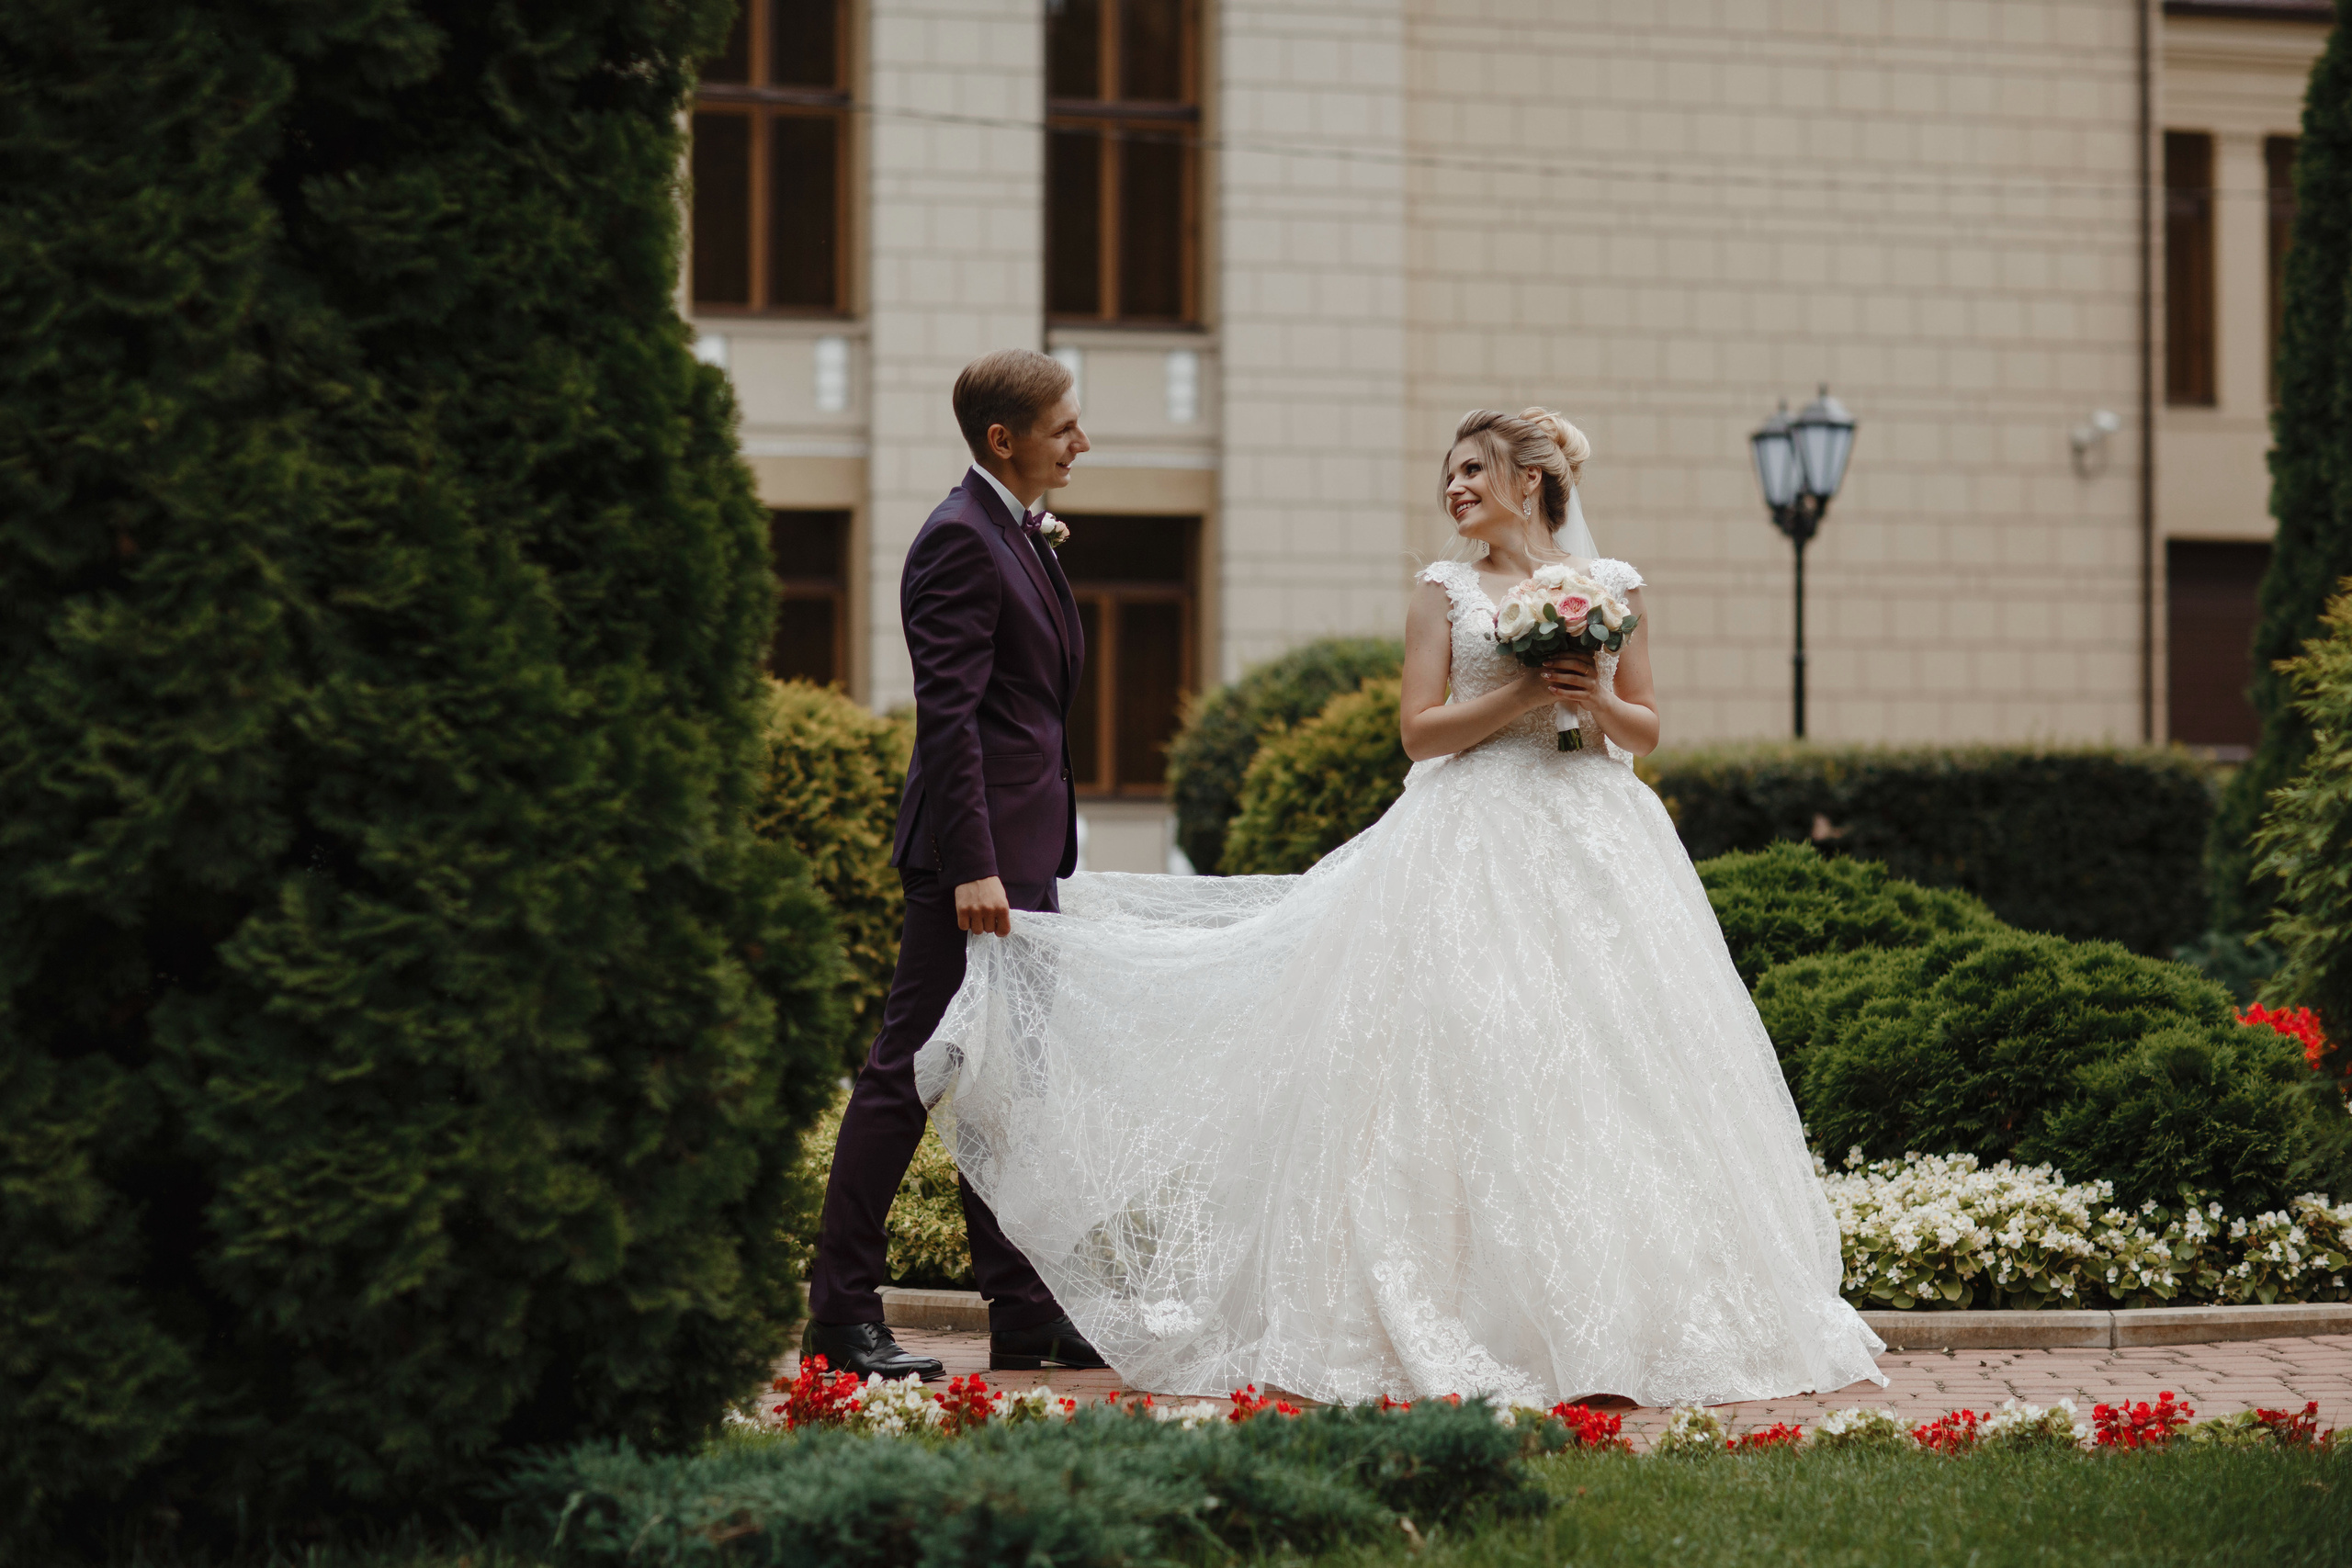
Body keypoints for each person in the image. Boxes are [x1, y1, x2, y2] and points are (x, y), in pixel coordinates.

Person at [911, 407, 1887, 1406]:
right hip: (1466, 841)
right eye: (1450, 472)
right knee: (1463, 1056)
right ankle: (1458, 1309)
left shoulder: (1614, 589)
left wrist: (1584, 695)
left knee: (1608, 1064)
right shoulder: (1442, 592)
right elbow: (1420, 735)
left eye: (1474, 469)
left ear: (1532, 478)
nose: (1455, 488)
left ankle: (1623, 1316)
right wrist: (1516, 698)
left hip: (1597, 845)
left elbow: (1644, 723)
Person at [800, 349, 1110, 1379]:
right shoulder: (960, 541)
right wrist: (972, 863)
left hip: (1022, 850)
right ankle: (839, 1312)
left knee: (1003, 1085)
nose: (1081, 441)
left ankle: (1019, 1311)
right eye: (1065, 427)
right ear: (1002, 440)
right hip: (967, 865)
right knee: (904, 1077)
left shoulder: (1018, 533)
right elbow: (951, 718)